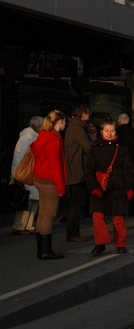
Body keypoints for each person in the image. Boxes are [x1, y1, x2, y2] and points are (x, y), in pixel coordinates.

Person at [86, 120, 134, 255]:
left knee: (118, 217)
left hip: (118, 187)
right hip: (99, 187)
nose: (109, 133)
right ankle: (100, 243)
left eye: (112, 131)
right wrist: (93, 187)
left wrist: (130, 187)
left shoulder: (122, 147)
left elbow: (128, 169)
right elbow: (89, 170)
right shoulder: (95, 148)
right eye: (106, 131)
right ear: (101, 132)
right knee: (97, 215)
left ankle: (120, 244)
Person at [30, 111, 68, 260]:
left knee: (42, 214)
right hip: (49, 181)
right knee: (49, 214)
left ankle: (42, 249)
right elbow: (55, 167)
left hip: (39, 178)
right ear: (60, 121)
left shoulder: (43, 135)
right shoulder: (53, 139)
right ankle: (46, 250)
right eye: (64, 121)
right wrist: (61, 188)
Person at [62, 106, 92, 243]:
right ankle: (73, 233)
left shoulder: (71, 127)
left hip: (72, 170)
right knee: (77, 205)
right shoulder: (78, 129)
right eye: (87, 113)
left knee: (74, 204)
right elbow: (88, 148)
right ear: (83, 115)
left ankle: (72, 233)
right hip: (78, 171)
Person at [10, 117, 43, 236]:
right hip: (27, 172)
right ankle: (20, 225)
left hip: (34, 172)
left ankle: (29, 224)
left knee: (34, 200)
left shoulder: (36, 135)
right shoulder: (27, 136)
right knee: (26, 199)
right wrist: (15, 175)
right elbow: (18, 156)